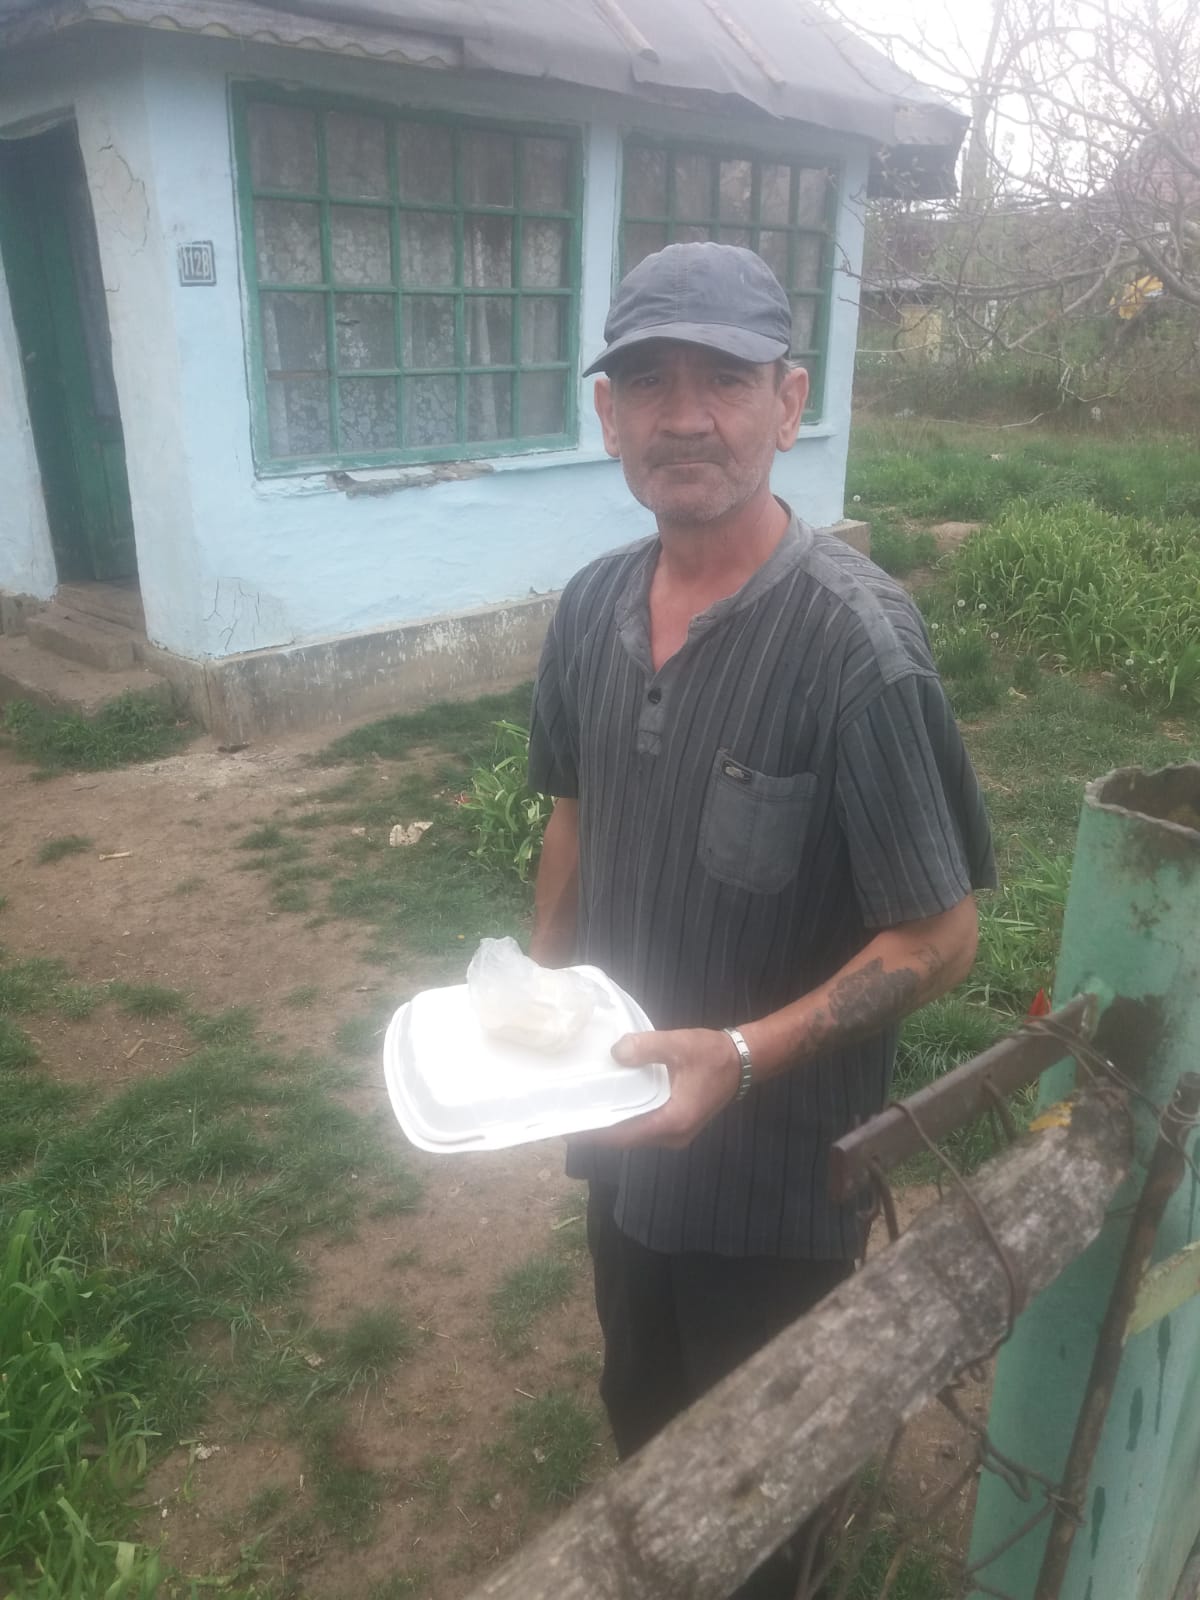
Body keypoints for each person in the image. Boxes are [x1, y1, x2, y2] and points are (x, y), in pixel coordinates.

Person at [527, 241, 995, 1598]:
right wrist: (534, 1014)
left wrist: (737, 1058)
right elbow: (573, 820)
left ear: (789, 406)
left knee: (766, 1501)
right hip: (624, 1135)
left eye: (724, 379)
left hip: (779, 1187)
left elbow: (942, 940)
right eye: (648, 382)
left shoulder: (859, 651)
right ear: (607, 416)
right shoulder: (592, 608)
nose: (685, 416)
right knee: (644, 1414)